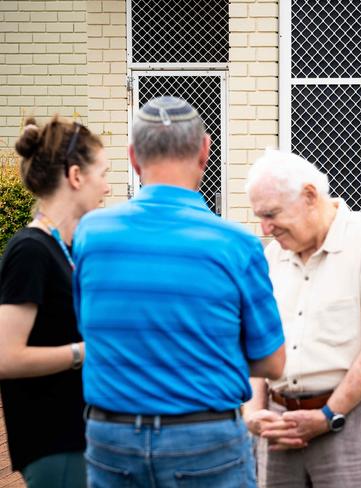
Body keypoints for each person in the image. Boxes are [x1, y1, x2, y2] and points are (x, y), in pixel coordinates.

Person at [72, 96, 286, 488]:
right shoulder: (235, 244)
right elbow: (272, 363)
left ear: (134, 157)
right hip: (205, 440)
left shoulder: (91, 234)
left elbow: (90, 328)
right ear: (205, 151)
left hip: (111, 438)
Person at [244, 148, 361, 487]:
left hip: (354, 420)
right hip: (279, 425)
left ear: (309, 196)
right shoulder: (271, 257)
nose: (265, 228)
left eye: (271, 214)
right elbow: (258, 345)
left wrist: (327, 416)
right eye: (259, 216)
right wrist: (254, 414)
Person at [0, 116, 110, 488]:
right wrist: (85, 351)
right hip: (55, 444)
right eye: (103, 174)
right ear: (76, 176)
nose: (107, 187)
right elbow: (5, 356)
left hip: (78, 437)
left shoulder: (62, 249)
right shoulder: (30, 251)